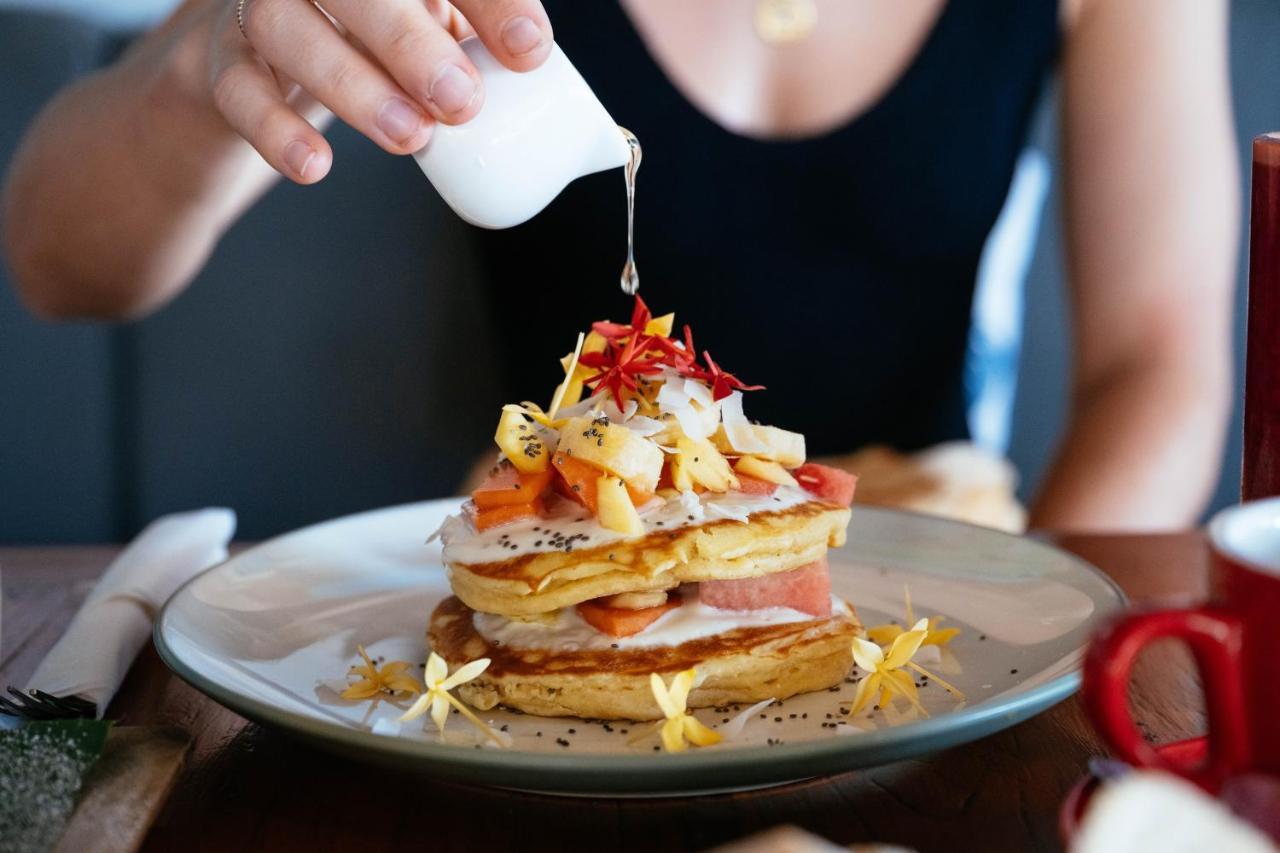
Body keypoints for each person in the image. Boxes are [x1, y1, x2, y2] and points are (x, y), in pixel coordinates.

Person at [1, 0, 1238, 531]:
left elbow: (1159, 366)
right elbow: (57, 263)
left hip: (944, 564)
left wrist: (1028, 645)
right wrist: (223, 63)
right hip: (559, 600)